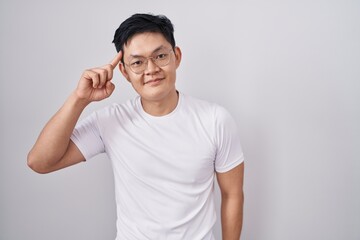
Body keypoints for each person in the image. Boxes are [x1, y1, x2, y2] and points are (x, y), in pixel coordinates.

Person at [27, 13, 245, 240]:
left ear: (176, 56)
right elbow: (40, 162)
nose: (151, 69)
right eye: (138, 62)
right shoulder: (110, 121)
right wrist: (80, 98)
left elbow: (232, 194)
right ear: (124, 72)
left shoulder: (215, 120)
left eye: (160, 56)